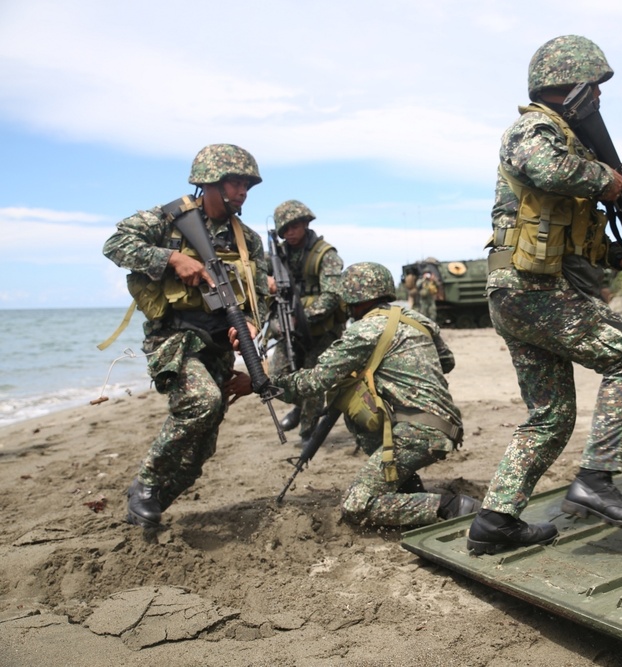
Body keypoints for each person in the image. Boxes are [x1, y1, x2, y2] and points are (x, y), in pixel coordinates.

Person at [467, 35, 622, 555]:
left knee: (551, 415)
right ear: (572, 86)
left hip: (520, 292)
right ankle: (596, 481)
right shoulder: (533, 129)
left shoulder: (568, 143)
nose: (599, 97)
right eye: (595, 86)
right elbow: (547, 169)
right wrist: (610, 180)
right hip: (530, 289)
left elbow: (575, 237)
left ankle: (495, 521)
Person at [103, 143, 270, 528]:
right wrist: (172, 259)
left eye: (248, 184)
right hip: (174, 340)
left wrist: (248, 325)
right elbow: (115, 244)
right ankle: (144, 484)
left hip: (216, 347)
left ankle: (150, 506)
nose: (243, 191)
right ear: (209, 182)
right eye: (235, 183)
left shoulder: (249, 241)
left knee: (202, 443)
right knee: (202, 403)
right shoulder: (166, 220)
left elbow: (256, 297)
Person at [270, 262, 479, 527]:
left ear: (351, 301)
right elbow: (446, 362)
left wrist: (268, 384)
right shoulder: (419, 320)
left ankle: (453, 507)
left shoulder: (363, 331)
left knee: (357, 505)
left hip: (416, 432)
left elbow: (315, 381)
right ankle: (406, 490)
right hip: (447, 425)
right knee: (364, 409)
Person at [268, 199, 346, 441]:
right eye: (284, 230)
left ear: (305, 223)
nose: (289, 233)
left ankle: (308, 432)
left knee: (312, 379)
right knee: (275, 380)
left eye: (294, 227)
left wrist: (302, 319)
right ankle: (301, 408)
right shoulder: (277, 256)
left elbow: (332, 296)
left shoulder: (326, 254)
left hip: (322, 329)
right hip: (289, 328)